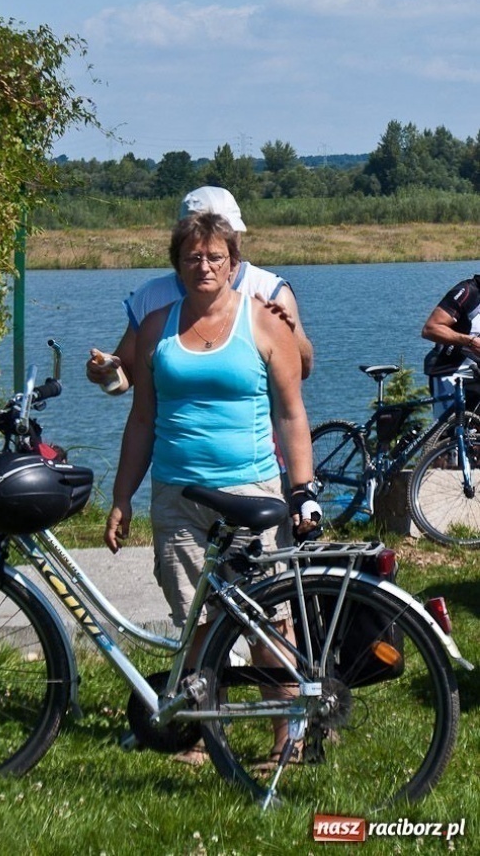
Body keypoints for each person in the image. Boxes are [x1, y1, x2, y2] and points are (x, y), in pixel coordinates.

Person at [103, 211, 321, 765]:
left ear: (233, 263)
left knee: (267, 620)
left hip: (250, 491)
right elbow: (142, 419)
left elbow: (292, 415)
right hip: (177, 496)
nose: (204, 265)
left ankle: (287, 739)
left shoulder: (266, 322)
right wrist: (122, 497)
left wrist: (304, 491)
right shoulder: (156, 326)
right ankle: (200, 735)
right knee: (195, 625)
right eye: (192, 257)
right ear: (177, 265)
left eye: (215, 257)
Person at [87, 186, 313, 393]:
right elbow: (127, 373)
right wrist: (107, 373)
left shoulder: (270, 289)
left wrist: (288, 332)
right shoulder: (152, 297)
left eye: (228, 234)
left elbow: (303, 370)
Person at [422, 273, 480, 417]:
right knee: (448, 434)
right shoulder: (468, 291)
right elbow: (431, 328)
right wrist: (470, 341)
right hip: (451, 371)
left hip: (477, 374)